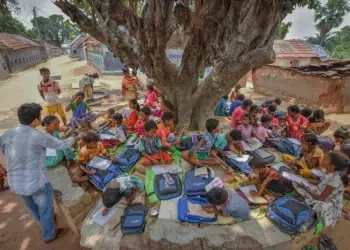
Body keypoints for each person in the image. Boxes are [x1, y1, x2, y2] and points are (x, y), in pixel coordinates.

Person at [0, 103, 75, 243]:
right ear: (35, 120)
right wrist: (74, 137)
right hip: (36, 182)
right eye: (39, 116)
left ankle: (45, 222)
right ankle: (49, 235)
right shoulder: (38, 136)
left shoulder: (7, 134)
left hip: (15, 183)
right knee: (46, 208)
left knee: (33, 207)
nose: (40, 119)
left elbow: (4, 151)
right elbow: (61, 145)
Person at [293, 152, 346, 227]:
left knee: (317, 206)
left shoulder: (334, 181)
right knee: (295, 182)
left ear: (333, 166)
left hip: (328, 200)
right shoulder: (327, 170)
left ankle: (311, 216)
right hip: (319, 191)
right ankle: (306, 199)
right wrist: (303, 179)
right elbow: (319, 182)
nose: (322, 160)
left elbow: (322, 198)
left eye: (325, 159)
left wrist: (305, 187)